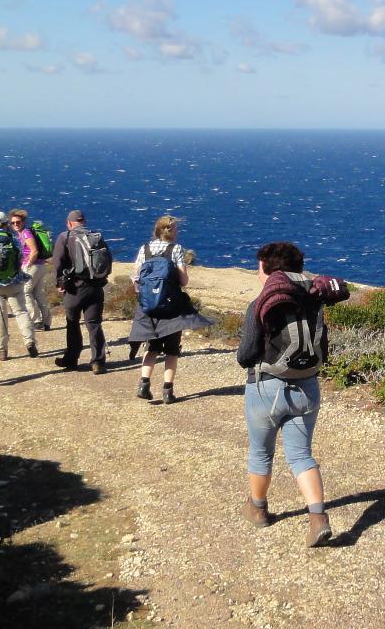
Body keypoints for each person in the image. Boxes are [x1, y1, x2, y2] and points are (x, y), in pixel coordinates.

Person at [236, 241, 348, 548]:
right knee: (301, 454)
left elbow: (246, 353)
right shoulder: (316, 299)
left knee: (261, 452)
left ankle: (258, 508)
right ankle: (318, 519)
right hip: (308, 387)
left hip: (267, 388)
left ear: (267, 268)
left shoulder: (262, 301)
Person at [128, 215, 211, 404]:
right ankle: (167, 391)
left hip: (149, 307)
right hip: (171, 307)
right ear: (170, 231)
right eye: (176, 229)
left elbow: (136, 279)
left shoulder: (145, 249)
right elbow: (184, 280)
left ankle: (144, 384)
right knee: (172, 351)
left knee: (151, 348)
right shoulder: (176, 249)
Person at [49, 209, 109, 373]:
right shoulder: (96, 236)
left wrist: (59, 283)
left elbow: (58, 263)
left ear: (69, 223)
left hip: (74, 288)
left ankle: (71, 359)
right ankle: (98, 361)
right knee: (94, 324)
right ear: (84, 221)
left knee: (72, 322)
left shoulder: (65, 237)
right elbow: (107, 260)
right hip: (96, 287)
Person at [0, 210, 38, 358]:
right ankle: (29, 342)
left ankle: (2, 350)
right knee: (21, 312)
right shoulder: (14, 239)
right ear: (6, 224)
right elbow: (21, 256)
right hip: (14, 282)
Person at [7, 208, 53, 331]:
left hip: (33, 266)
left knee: (26, 291)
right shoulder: (22, 233)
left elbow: (34, 251)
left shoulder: (26, 233)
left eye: (18, 222)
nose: (16, 224)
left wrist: (27, 265)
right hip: (40, 266)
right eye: (13, 223)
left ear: (23, 222)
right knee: (38, 293)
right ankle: (47, 321)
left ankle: (36, 320)